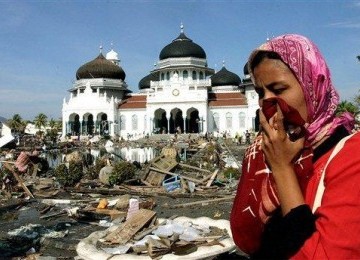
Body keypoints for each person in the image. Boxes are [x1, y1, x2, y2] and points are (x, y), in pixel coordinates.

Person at [230, 34, 360, 259]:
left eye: (278, 90)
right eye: (261, 92)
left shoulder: (350, 155)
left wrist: (282, 169)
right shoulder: (270, 150)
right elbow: (249, 239)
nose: (267, 102)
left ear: (313, 87)